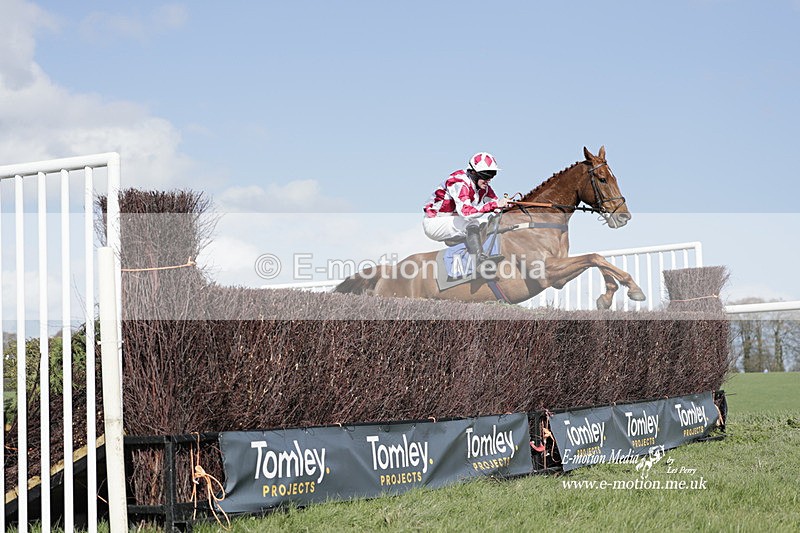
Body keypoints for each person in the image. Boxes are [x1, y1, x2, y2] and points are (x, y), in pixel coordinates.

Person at [422, 152, 509, 271]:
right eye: (486, 175)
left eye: (492, 174)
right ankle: (480, 261)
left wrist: (505, 205)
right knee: (472, 223)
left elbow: (495, 204)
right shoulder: (459, 182)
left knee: (483, 224)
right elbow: (466, 213)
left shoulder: (483, 186)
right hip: (434, 222)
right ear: (473, 173)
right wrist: (494, 205)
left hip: (453, 219)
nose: (489, 179)